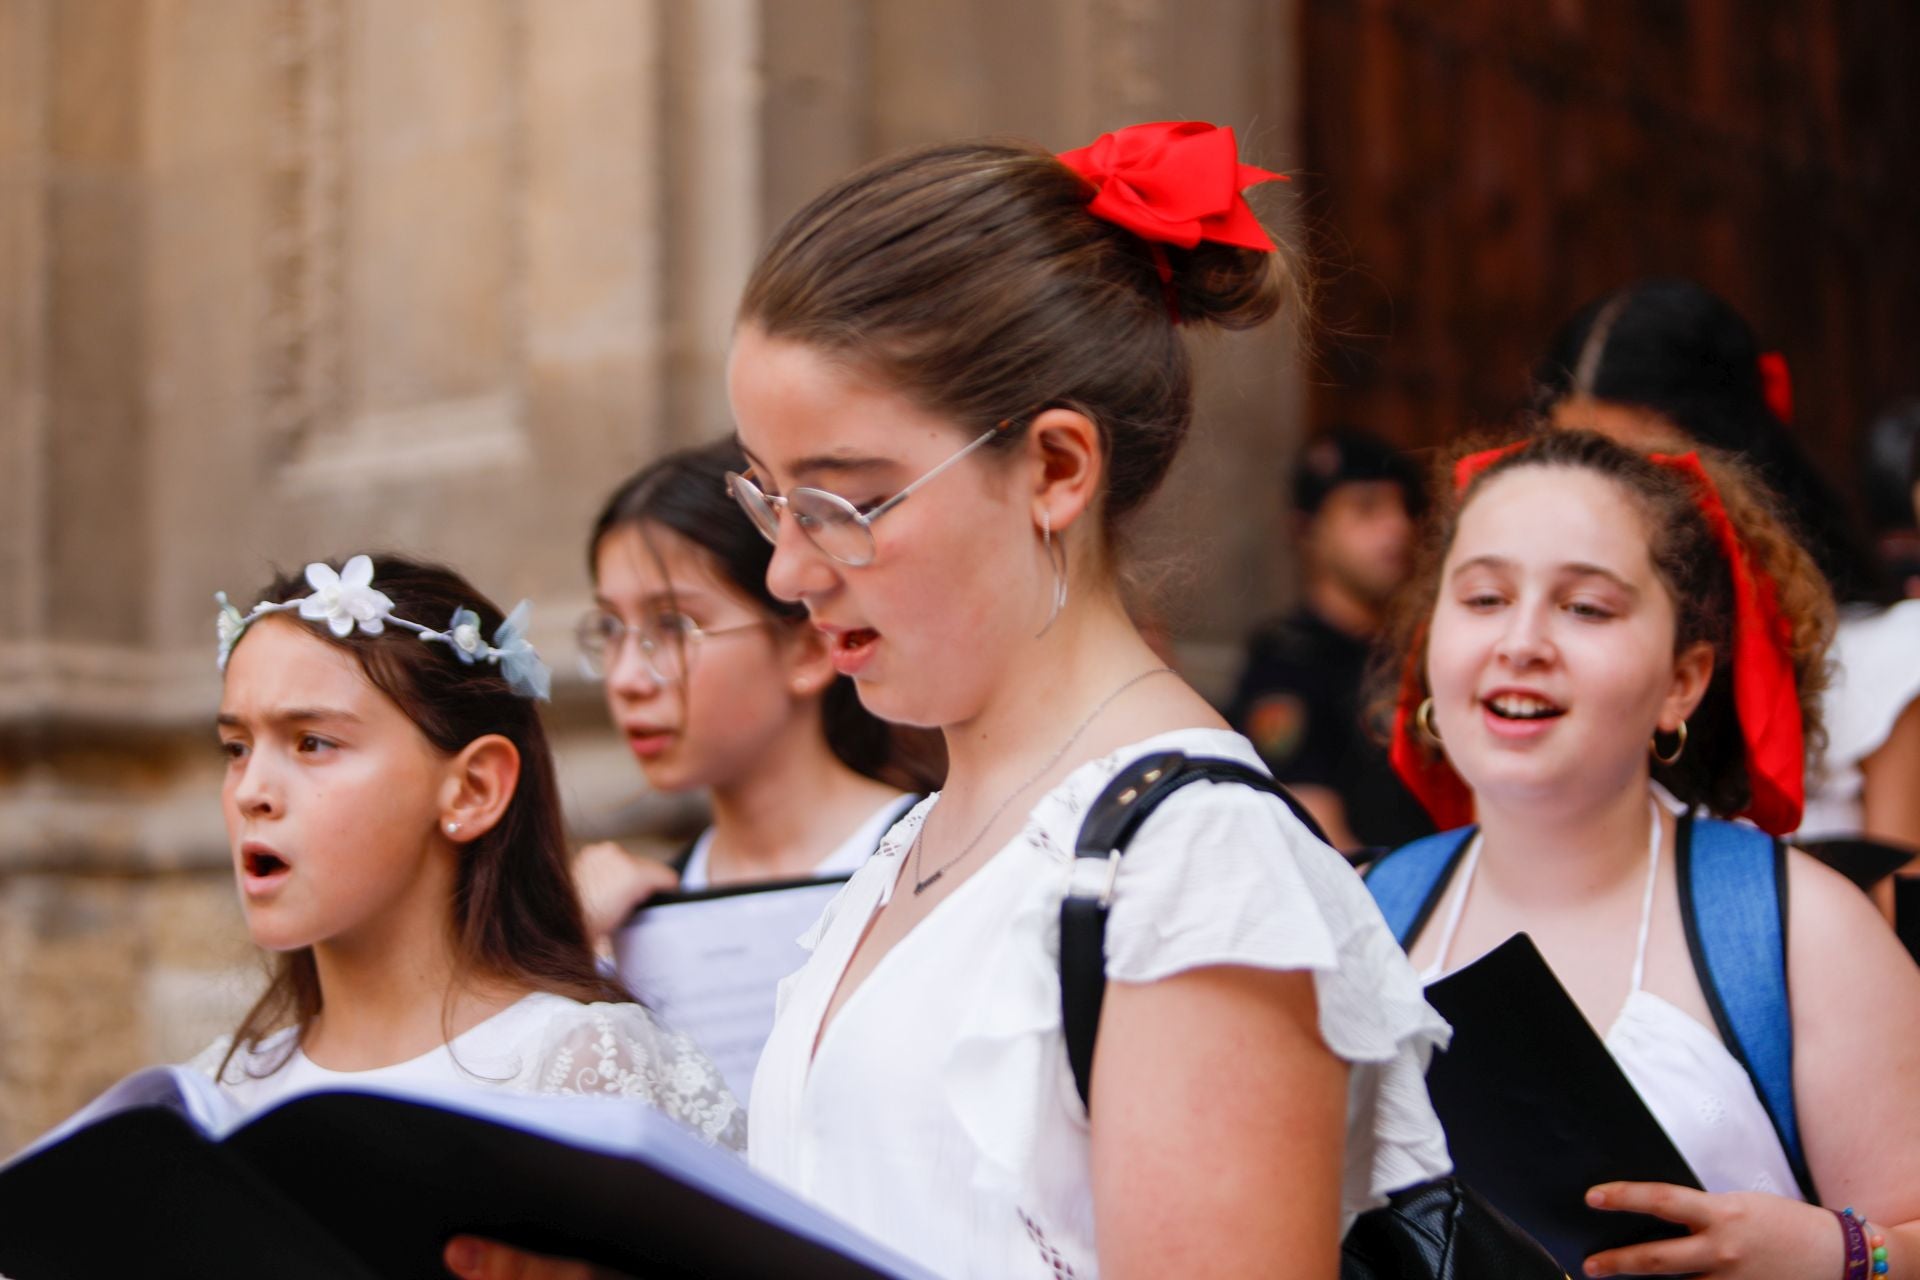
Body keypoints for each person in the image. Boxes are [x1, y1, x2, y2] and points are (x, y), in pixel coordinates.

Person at [447, 121, 1452, 1280]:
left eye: (845, 503)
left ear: (1056, 469)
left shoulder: (1199, 872)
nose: (788, 570)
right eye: (771, 499)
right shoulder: (925, 832)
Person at [1370, 431, 1920, 1277]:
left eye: (1586, 608)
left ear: (1683, 681)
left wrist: (1840, 1255)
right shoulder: (1358, 912)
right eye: (1483, 598)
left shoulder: (1799, 931)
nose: (1522, 642)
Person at [198, 554, 742, 1148]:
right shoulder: (218, 1095)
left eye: (312, 743)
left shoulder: (580, 1069)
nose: (251, 791)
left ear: (474, 789)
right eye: (236, 748)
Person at [1536, 277, 1920, 863]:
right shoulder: (1538, 660)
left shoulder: (1889, 662)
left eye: (1647, 466)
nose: (1603, 502)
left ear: (1738, 456)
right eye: (1574, 462)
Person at [569, 441, 927, 942]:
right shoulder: (636, 916)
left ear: (807, 650)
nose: (626, 678)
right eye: (609, 629)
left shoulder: (933, 860)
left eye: (674, 626)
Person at [1225, 426, 1433, 850]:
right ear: (1307, 530)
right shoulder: (1289, 660)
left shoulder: (1423, 648)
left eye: (1403, 508)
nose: (1396, 528)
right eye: (1366, 508)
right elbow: (1320, 837)